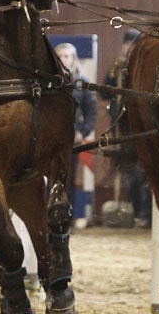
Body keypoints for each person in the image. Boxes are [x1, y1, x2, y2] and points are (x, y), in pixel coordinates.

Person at [101, 29, 151, 228]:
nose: (129, 48)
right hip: (121, 126)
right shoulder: (118, 67)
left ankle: (146, 214)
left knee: (144, 172)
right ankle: (136, 211)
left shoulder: (142, 67)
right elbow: (105, 91)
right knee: (129, 173)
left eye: (133, 44)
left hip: (141, 125)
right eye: (126, 43)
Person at [55, 42, 97, 228]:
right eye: (61, 55)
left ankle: (66, 221)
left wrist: (83, 132)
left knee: (68, 180)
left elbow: (92, 112)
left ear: (73, 59)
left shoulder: (82, 82)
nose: (64, 59)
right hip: (50, 138)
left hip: (72, 139)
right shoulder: (51, 80)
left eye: (67, 56)